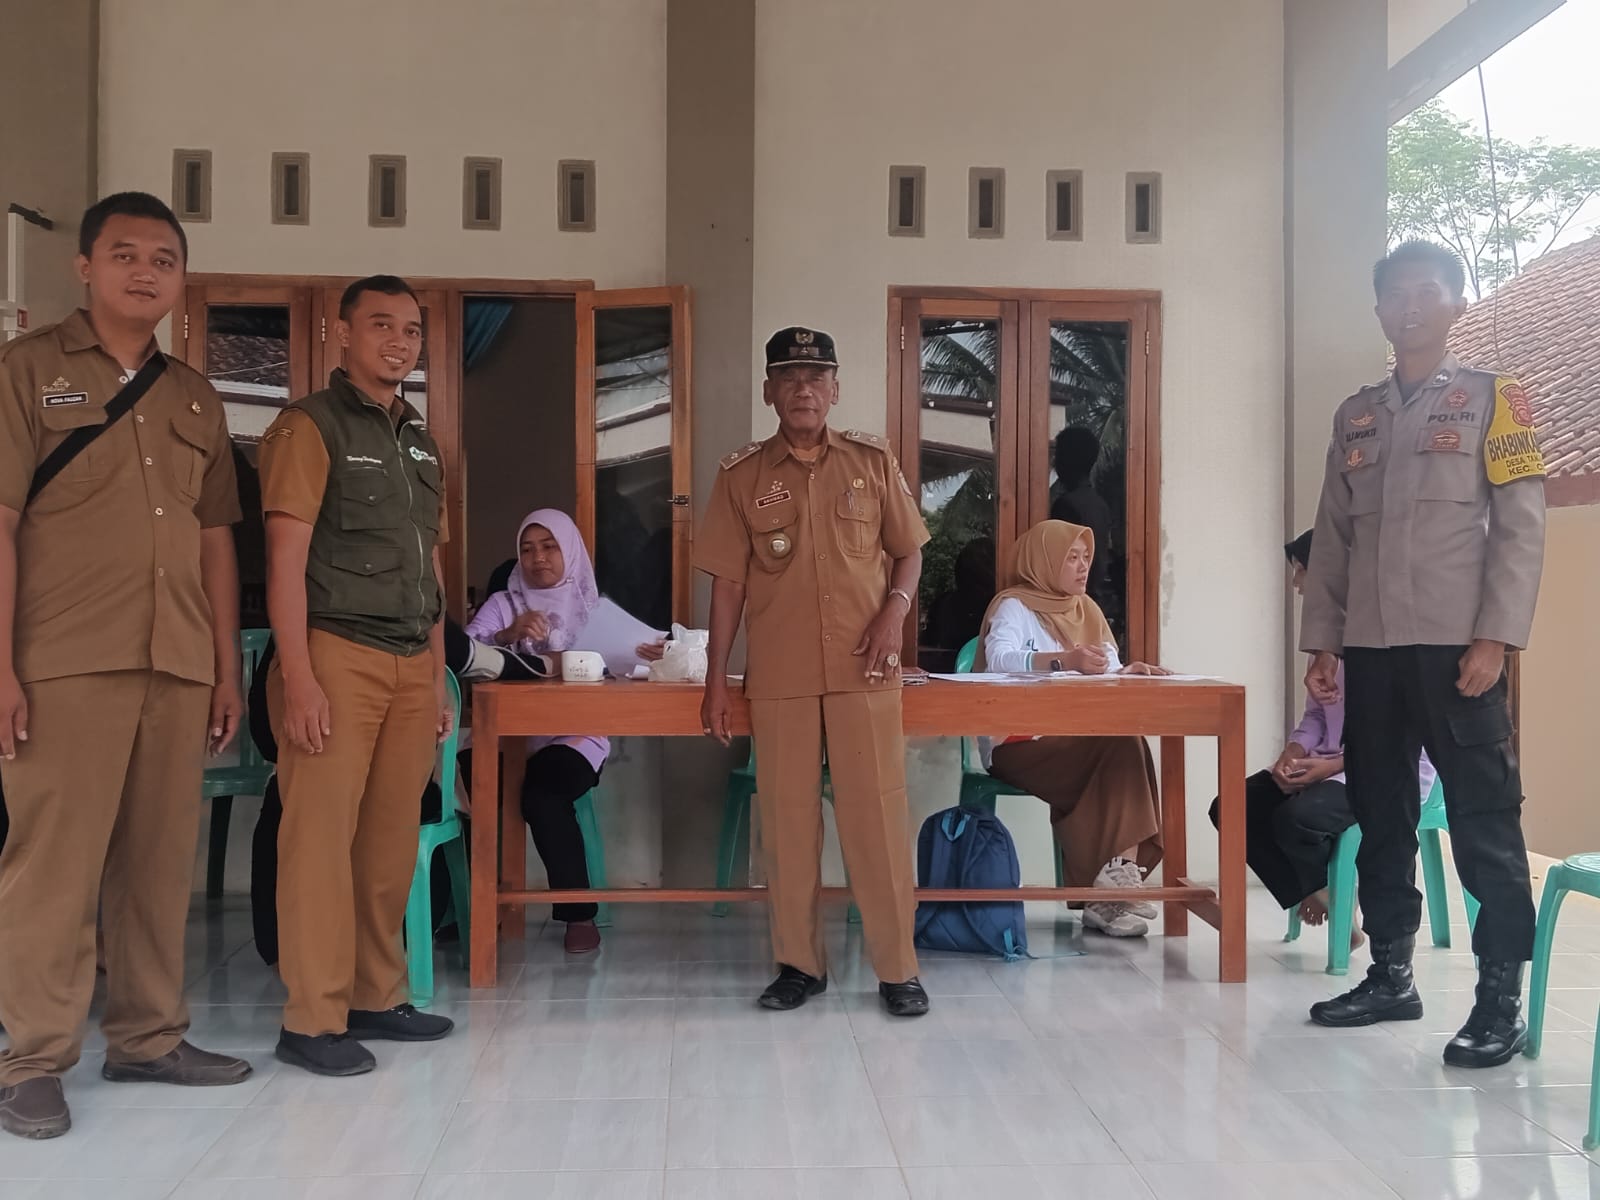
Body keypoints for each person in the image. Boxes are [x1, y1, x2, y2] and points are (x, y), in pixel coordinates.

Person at [0, 192, 253, 1139]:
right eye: (125, 255)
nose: (146, 272)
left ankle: (148, 1037)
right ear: (85, 267)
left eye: (163, 259)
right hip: (63, 659)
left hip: (176, 660)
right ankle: (32, 1060)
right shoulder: (28, 371)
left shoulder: (195, 396)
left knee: (155, 863)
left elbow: (216, 539)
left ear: (181, 278)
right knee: (52, 867)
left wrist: (225, 666)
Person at [1301, 240, 1546, 1069]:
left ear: (1456, 302)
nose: (1410, 306)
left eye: (1427, 291)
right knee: (1381, 815)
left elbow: (1520, 526)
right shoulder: (1355, 416)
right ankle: (1390, 975)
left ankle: (1500, 1000)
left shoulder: (1498, 399)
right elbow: (1333, 538)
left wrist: (1496, 637)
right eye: (1396, 294)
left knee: (1483, 819)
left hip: (1457, 651)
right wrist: (1323, 640)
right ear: (1378, 309)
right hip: (1371, 649)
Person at [697, 327, 931, 1017]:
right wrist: (717, 679)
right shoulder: (740, 476)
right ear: (769, 391)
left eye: (816, 376)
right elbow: (729, 585)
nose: (804, 388)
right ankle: (799, 965)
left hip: (866, 671)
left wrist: (894, 613)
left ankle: (898, 971)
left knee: (877, 820)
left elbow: (909, 551)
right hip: (781, 676)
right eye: (790, 376)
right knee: (788, 825)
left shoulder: (871, 461)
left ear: (834, 389)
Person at [259, 274, 454, 1077]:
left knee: (387, 844)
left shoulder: (421, 441)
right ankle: (312, 1017)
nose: (399, 342)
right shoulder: (310, 426)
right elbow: (285, 558)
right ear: (343, 334)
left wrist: (438, 673)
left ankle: (378, 994)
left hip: (411, 660)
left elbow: (430, 563)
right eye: (381, 325)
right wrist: (298, 675)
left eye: (410, 330)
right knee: (318, 843)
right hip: (336, 653)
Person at [1209, 530, 1435, 941]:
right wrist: (1293, 752)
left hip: (1385, 773)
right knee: (1232, 806)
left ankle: (1335, 895)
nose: (1297, 584)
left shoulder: (1390, 640)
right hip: (1328, 766)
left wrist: (1329, 767)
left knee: (1298, 819)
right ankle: (1317, 889)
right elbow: (1315, 715)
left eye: (1301, 572)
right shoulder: (1325, 647)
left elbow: (1403, 738)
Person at [464, 508, 664, 954]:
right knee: (466, 792)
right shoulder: (503, 604)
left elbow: (626, 667)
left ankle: (578, 914)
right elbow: (463, 657)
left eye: (549, 546)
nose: (538, 558)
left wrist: (651, 655)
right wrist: (507, 634)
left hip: (575, 736)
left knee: (543, 795)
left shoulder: (592, 609)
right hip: (502, 738)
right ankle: (466, 912)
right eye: (527, 549)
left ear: (570, 550)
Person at [977, 520, 1167, 937]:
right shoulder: (1014, 606)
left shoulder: (1086, 610)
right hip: (1017, 742)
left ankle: (1110, 890)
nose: (1083, 567)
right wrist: (1063, 660)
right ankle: (1118, 877)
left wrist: (1126, 671)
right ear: (1044, 562)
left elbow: (1105, 665)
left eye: (1086, 558)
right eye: (1071, 558)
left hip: (1075, 739)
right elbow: (999, 659)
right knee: (1121, 749)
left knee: (1125, 743)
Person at [1049, 426, 1113, 613]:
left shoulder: (1066, 505)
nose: (1054, 462)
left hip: (1073, 602)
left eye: (1058, 455)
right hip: (1092, 600)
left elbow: (1059, 562)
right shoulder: (1100, 504)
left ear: (1067, 460)